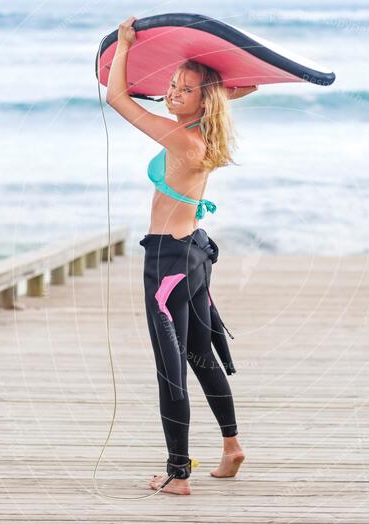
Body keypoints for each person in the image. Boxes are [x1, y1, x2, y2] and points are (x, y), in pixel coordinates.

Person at [106, 16, 256, 495]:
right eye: (172, 84)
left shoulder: (181, 139)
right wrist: (213, 88)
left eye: (184, 90)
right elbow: (241, 87)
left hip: (167, 262)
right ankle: (231, 447)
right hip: (192, 255)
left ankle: (177, 473)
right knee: (199, 355)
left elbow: (116, 98)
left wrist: (125, 46)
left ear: (202, 100)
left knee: (170, 365)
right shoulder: (205, 131)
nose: (172, 93)